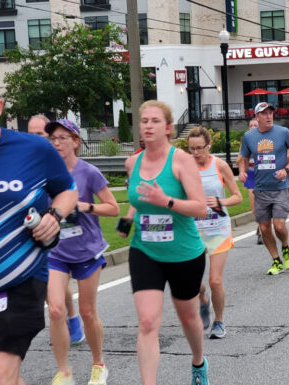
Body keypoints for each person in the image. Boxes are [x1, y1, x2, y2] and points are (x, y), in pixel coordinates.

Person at [0, 72, 78, 385]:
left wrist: (54, 214)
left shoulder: (33, 149)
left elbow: (68, 190)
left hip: (21, 278)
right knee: (1, 375)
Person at [122, 100, 210, 385]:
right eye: (144, 120)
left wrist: (167, 201)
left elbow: (200, 208)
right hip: (145, 250)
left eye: (154, 121)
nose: (147, 125)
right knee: (147, 322)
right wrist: (128, 218)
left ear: (168, 128)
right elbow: (140, 199)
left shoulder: (181, 161)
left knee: (189, 319)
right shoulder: (132, 163)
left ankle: (198, 362)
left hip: (184, 253)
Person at [45, 119, 119, 385]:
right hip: (55, 251)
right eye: (53, 138)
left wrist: (85, 207)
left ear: (76, 142)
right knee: (55, 310)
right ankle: (63, 371)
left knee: (88, 312)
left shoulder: (89, 172)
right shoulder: (44, 173)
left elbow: (113, 208)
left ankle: (99, 364)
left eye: (63, 138)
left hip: (87, 250)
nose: (57, 143)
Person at [27, 114, 86, 345]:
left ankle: (68, 319)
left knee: (54, 291)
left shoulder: (55, 161)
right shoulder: (25, 160)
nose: (36, 139)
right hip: (37, 234)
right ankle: (68, 317)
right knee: (54, 290)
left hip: (67, 236)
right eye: (30, 134)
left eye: (40, 134)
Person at [187, 126, 243, 340]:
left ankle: (219, 322)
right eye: (191, 149)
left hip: (218, 229)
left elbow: (237, 196)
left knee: (215, 281)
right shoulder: (184, 167)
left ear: (208, 146)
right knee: (192, 283)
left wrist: (221, 201)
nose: (195, 153)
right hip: (193, 231)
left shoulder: (219, 165)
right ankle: (203, 300)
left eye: (199, 148)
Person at [239, 102, 289, 275]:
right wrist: (243, 172)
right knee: (264, 228)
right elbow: (243, 157)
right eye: (264, 113)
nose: (268, 116)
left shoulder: (283, 132)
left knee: (279, 226)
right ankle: (276, 260)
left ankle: (286, 246)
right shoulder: (249, 136)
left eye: (270, 113)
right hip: (260, 188)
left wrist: (286, 169)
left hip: (280, 187)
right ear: (257, 117)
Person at [237, 119, 263, 245]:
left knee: (263, 206)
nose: (252, 127)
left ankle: (262, 232)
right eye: (250, 125)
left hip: (263, 175)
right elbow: (239, 160)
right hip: (251, 175)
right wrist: (242, 161)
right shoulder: (245, 142)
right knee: (254, 208)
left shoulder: (264, 140)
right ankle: (260, 227)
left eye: (255, 125)